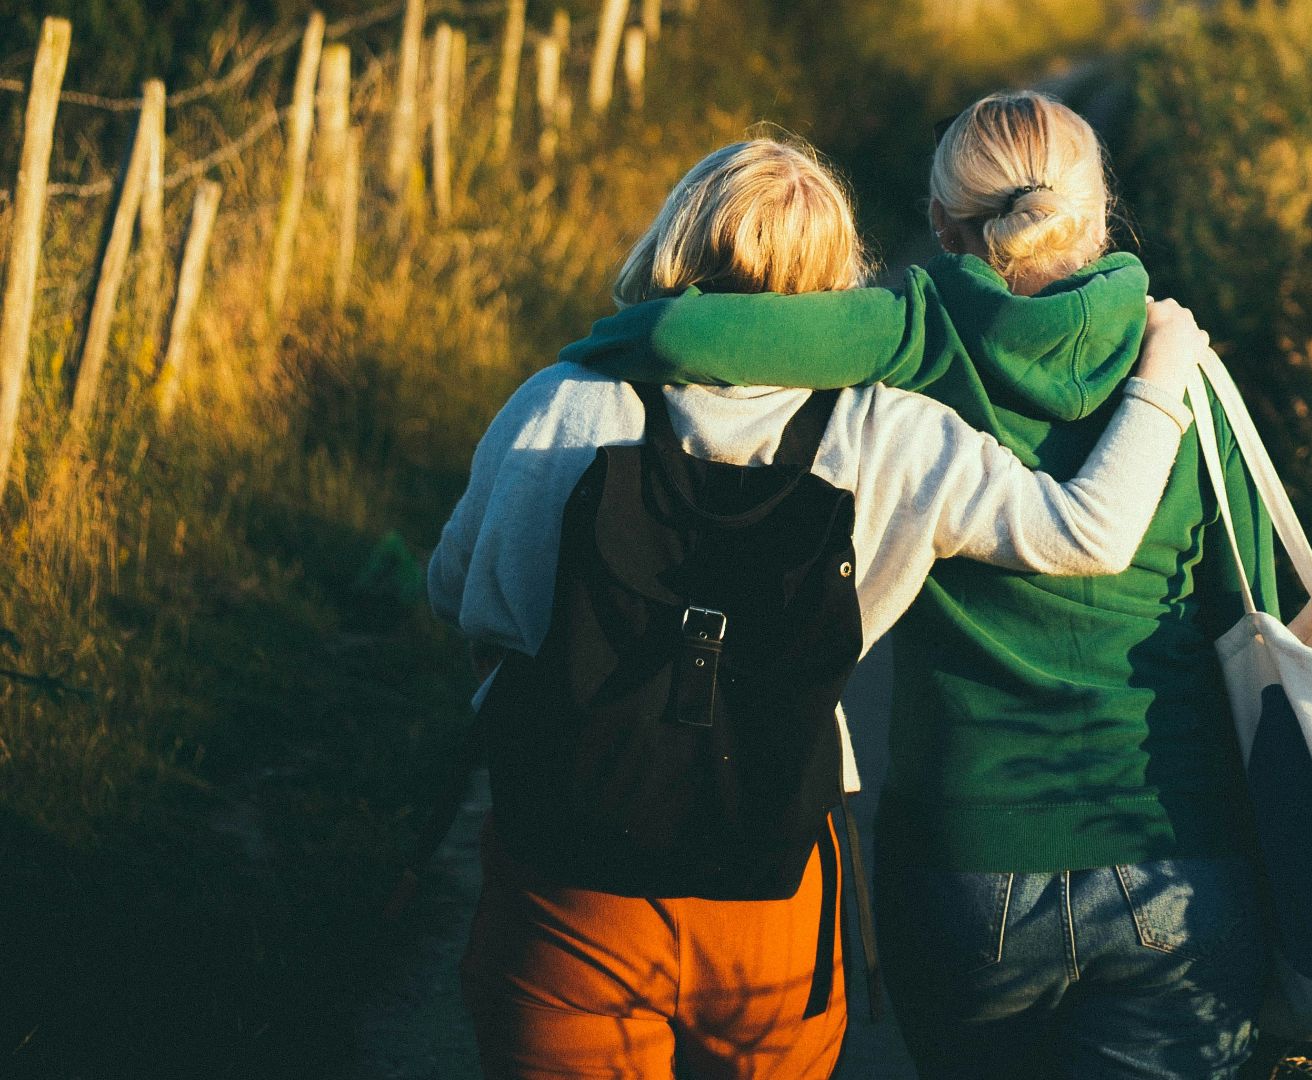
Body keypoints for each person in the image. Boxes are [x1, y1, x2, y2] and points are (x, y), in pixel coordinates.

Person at [427, 136, 1215, 1080]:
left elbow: (457, 591)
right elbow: (1087, 532)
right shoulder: (893, 431)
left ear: (673, 242)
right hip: (773, 870)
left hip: (566, 867)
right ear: (840, 277)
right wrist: (1164, 376)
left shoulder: (559, 403)